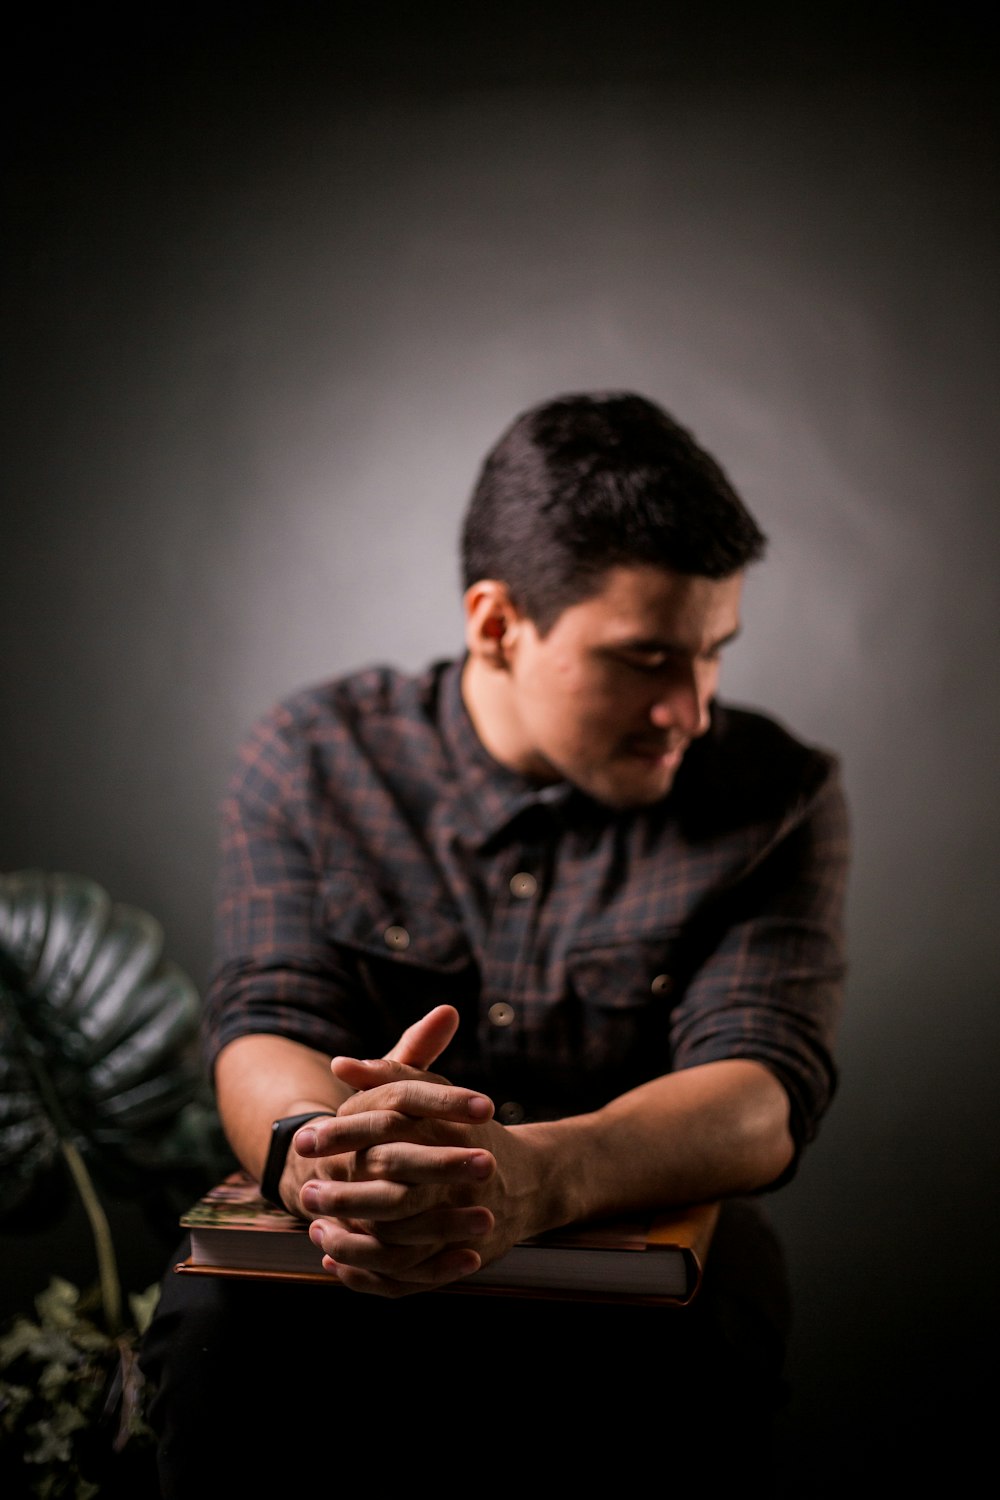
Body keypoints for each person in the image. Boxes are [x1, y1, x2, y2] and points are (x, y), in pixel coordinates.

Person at [141, 392, 848, 1490]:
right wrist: (328, 1166)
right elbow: (265, 1021)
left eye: (713, 655)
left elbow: (760, 1088)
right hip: (338, 1269)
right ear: (496, 624)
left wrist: (538, 1177)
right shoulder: (311, 754)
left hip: (647, 1287)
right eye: (647, 658)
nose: (692, 710)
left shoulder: (778, 794)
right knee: (211, 1349)